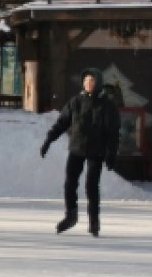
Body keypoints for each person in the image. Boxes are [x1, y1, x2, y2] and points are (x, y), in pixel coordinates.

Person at [39, 67, 121, 236]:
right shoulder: (76, 102)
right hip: (77, 148)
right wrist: (49, 139)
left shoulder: (107, 105)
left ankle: (94, 223)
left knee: (91, 186)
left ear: (98, 82)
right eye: (85, 81)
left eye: (91, 80)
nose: (88, 83)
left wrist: (111, 153)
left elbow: (113, 132)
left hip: (96, 151)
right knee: (70, 183)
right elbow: (62, 123)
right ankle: (71, 215)